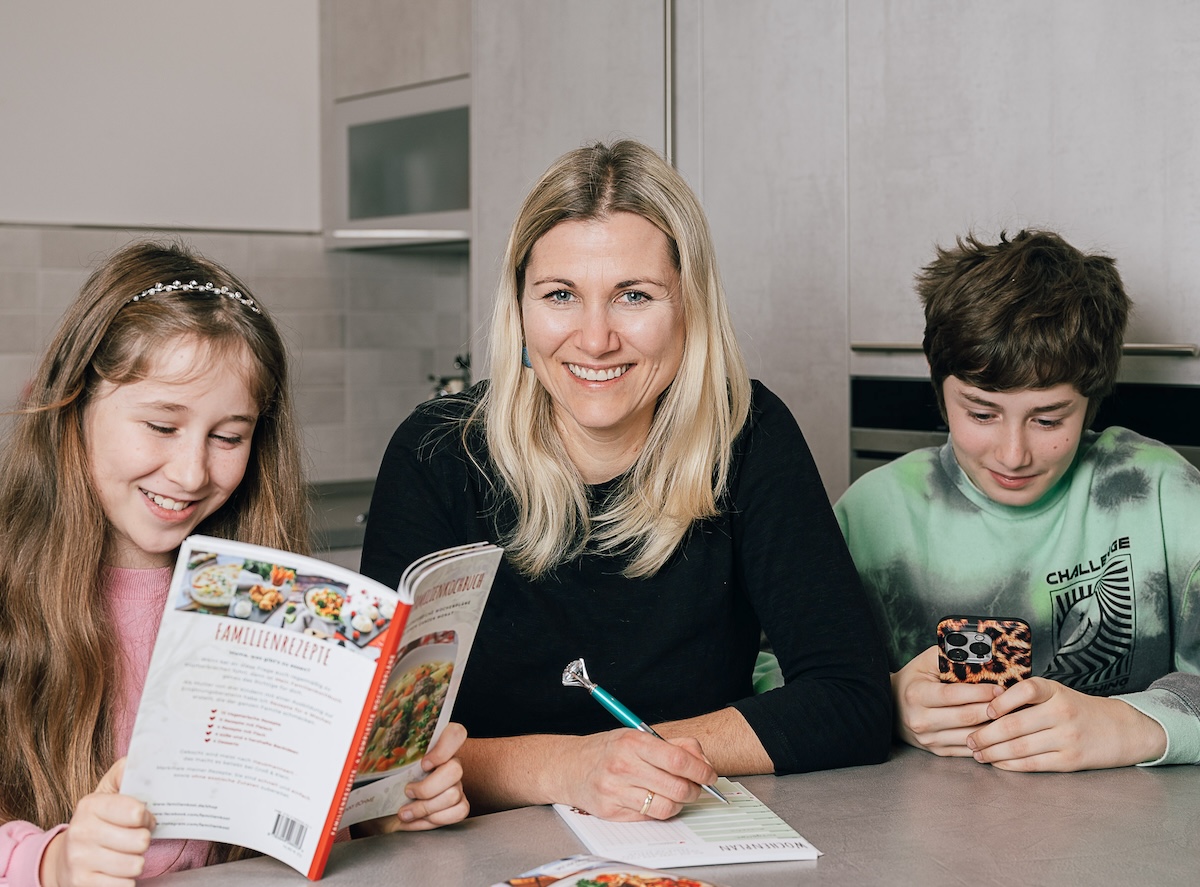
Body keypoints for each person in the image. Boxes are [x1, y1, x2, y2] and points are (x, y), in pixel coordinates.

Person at [360, 139, 893, 822]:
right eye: (560, 295)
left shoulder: (748, 432)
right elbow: (372, 745)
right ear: (520, 309)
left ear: (688, 309)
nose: (595, 338)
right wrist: (568, 767)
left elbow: (852, 697)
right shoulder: (435, 452)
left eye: (633, 296)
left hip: (685, 839)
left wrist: (638, 759)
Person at [0, 242, 470, 887]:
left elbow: (284, 832)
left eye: (228, 437)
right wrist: (52, 862)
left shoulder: (272, 603)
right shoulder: (9, 596)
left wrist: (383, 810)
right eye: (162, 426)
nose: (193, 472)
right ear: (73, 407)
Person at [835, 229, 1200, 772]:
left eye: (1049, 419)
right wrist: (878, 701)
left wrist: (1135, 725)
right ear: (940, 391)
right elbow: (759, 673)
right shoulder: (870, 514)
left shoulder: (1163, 492)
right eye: (981, 414)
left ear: (1091, 401)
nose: (1013, 454)